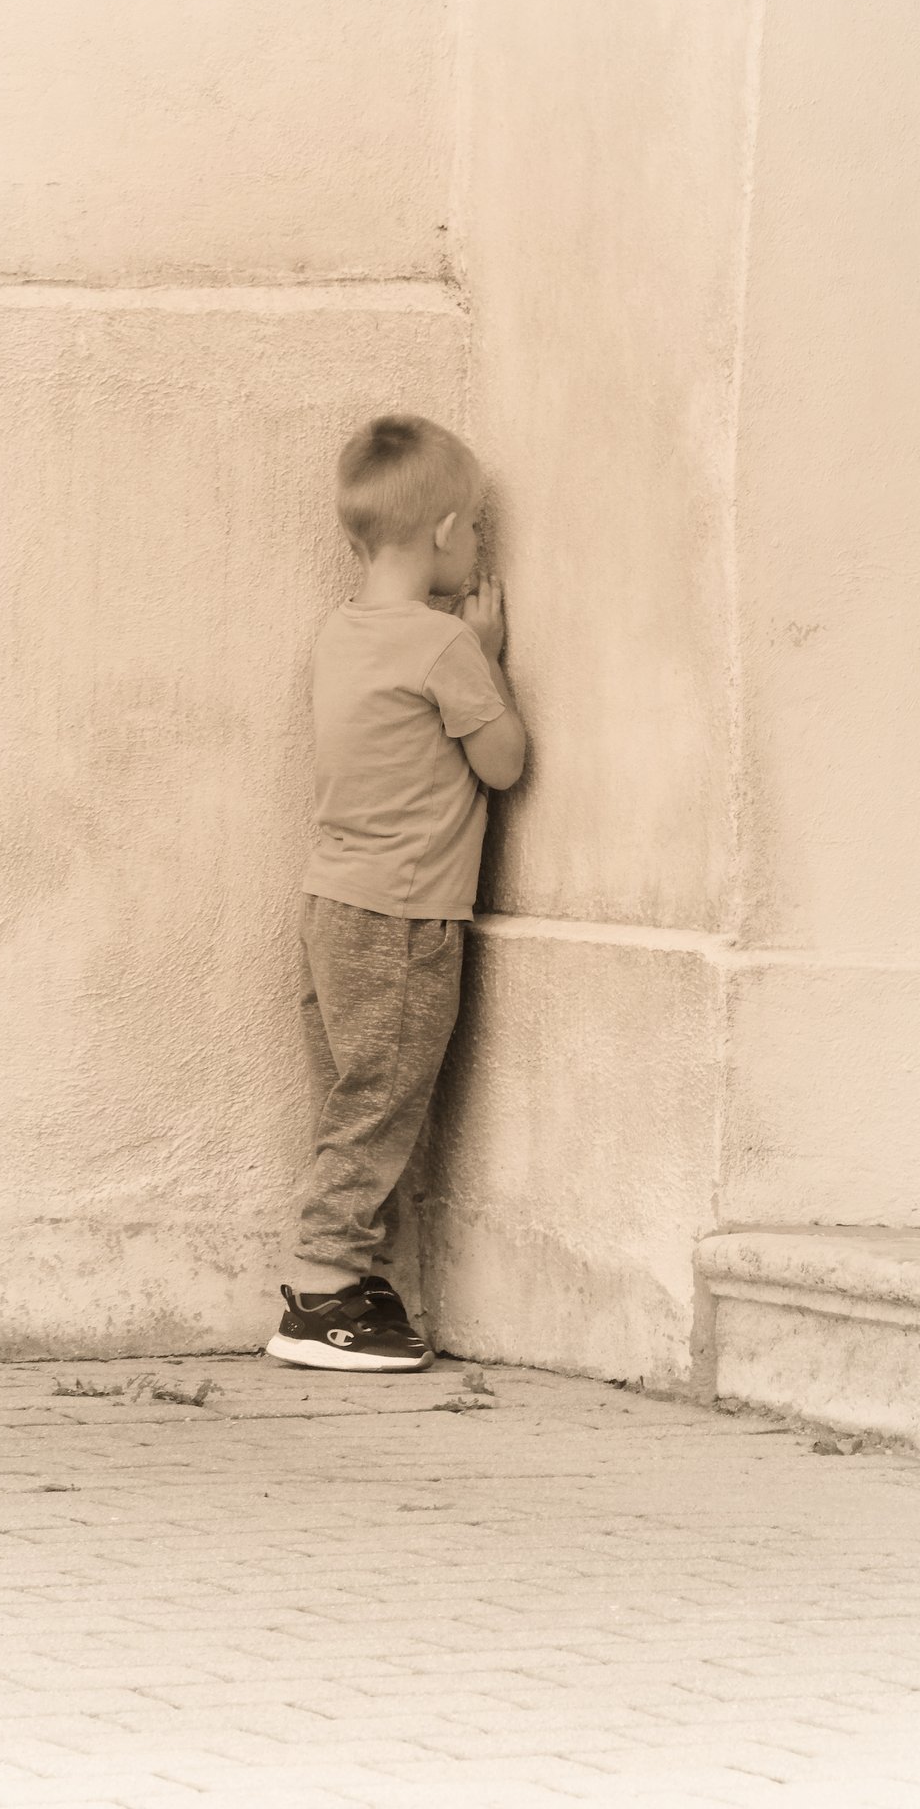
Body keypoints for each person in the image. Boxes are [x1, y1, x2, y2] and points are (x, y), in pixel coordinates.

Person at [266, 413, 526, 1373]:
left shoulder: (341, 633)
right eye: (482, 531)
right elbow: (502, 764)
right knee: (381, 1102)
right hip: (404, 916)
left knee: (351, 1096)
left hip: (332, 905)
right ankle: (322, 1287)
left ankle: (353, 1277)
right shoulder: (440, 645)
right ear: (449, 531)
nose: (484, 548)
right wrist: (490, 657)